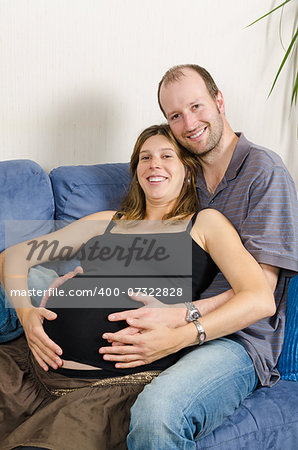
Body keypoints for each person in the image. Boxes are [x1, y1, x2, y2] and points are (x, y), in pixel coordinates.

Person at [0, 123, 274, 450]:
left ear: (188, 171)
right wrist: (27, 313)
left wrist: (186, 331)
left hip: (108, 390)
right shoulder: (106, 221)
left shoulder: (205, 223)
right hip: (31, 369)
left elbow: (259, 298)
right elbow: (14, 256)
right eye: (145, 157)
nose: (154, 164)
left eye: (166, 156)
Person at [97, 65, 298, 449]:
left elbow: (260, 296)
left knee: (158, 416)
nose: (189, 123)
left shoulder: (264, 172)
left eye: (196, 106)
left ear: (219, 101)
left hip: (237, 340)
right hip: (169, 317)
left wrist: (181, 322)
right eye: (175, 115)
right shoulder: (185, 174)